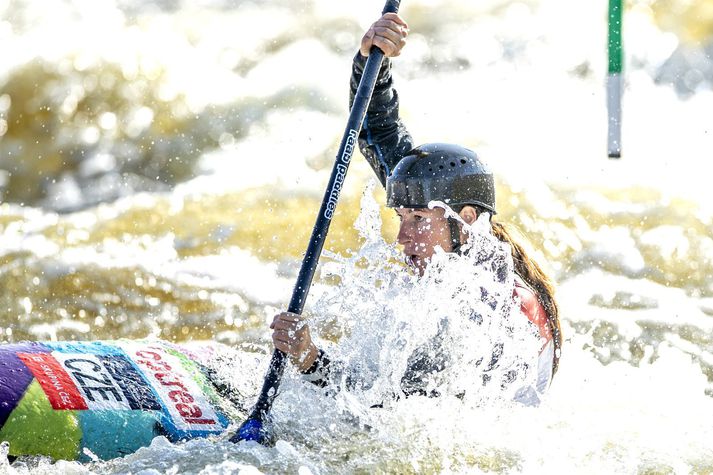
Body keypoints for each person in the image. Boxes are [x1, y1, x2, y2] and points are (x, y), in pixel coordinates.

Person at [271, 13, 562, 401]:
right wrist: (372, 59)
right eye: (402, 217)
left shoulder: (495, 307)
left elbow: (391, 414)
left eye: (420, 220)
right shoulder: (452, 227)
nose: (404, 238)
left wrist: (310, 361)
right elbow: (376, 128)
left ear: (467, 219)